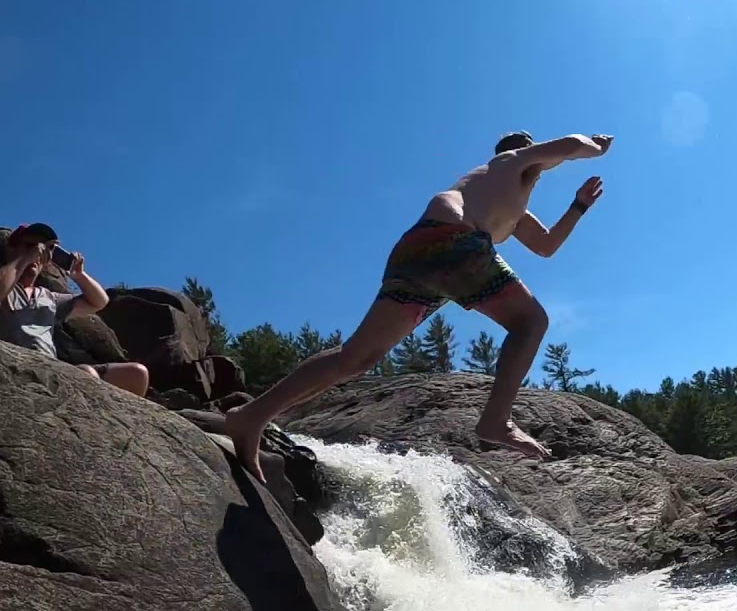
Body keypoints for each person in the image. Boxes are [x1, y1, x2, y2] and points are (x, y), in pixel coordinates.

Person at [226, 131, 613, 482]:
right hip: (454, 241)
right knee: (530, 323)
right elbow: (571, 146)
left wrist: (578, 206)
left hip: (419, 255)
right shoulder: (506, 162)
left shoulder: (511, 207)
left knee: (356, 358)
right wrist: (595, 145)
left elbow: (546, 246)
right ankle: (496, 420)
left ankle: (250, 417)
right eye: (527, 147)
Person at [1, 223, 150, 396]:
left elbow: (99, 302)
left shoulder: (49, 297)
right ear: (12, 250)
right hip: (17, 366)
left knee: (136, 373)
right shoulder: (7, 286)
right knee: (87, 374)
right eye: (29, 245)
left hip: (52, 368)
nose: (37, 253)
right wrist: (23, 259)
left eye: (45, 249)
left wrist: (79, 275)